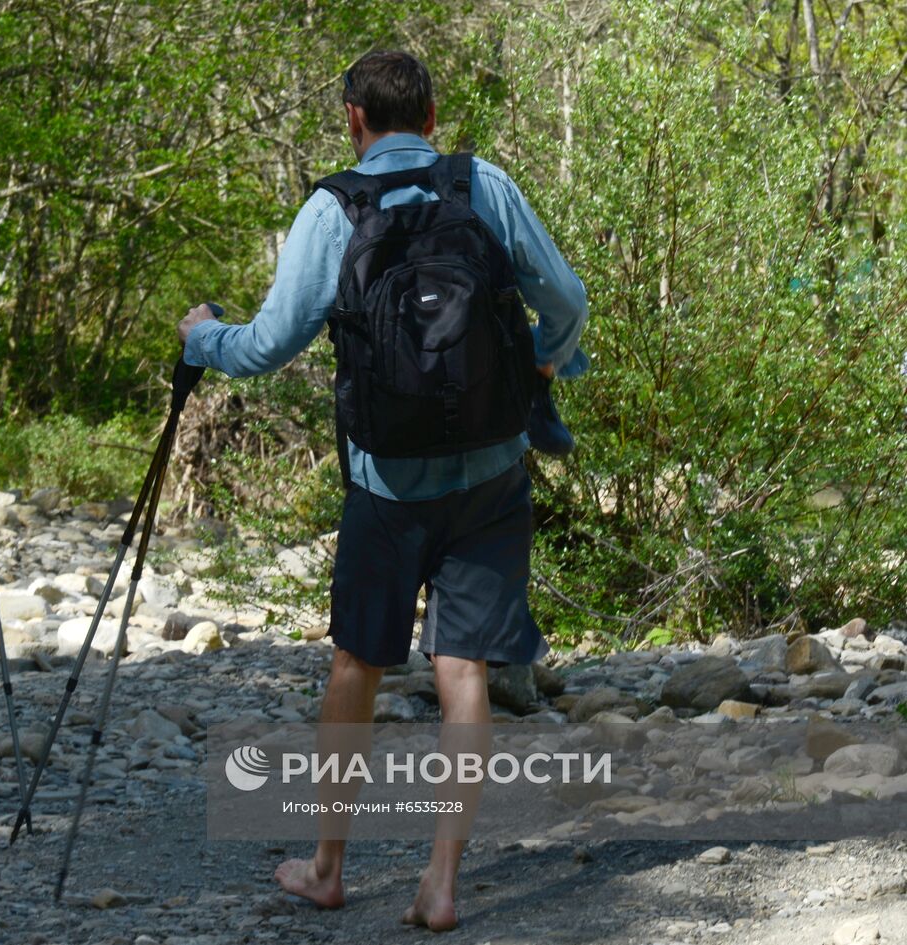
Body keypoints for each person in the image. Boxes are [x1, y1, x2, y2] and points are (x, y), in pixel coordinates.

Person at [177, 51, 588, 930]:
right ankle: (440, 883)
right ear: (433, 117)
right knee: (463, 669)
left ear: (353, 120)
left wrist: (203, 337)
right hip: (491, 472)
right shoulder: (484, 186)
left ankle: (327, 867)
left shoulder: (334, 209)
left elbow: (266, 347)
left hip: (385, 483)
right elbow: (568, 297)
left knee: (357, 662)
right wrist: (545, 362)